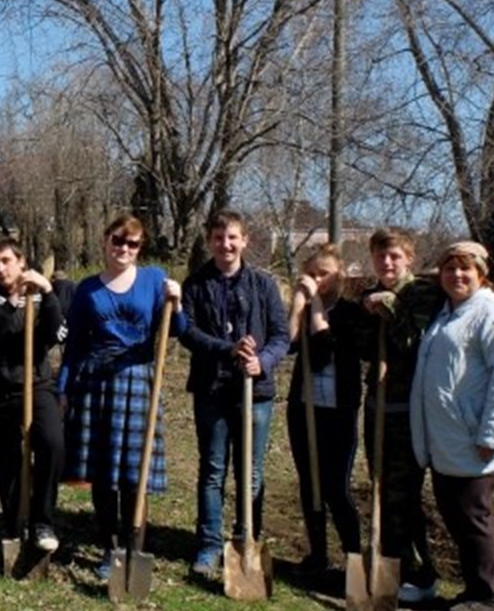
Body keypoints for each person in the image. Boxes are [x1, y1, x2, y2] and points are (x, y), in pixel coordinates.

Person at [58, 215, 185, 578]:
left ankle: (134, 548)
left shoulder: (154, 279)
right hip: (95, 383)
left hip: (139, 381)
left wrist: (176, 303)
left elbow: (177, 330)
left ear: (140, 247)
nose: (124, 249)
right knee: (102, 473)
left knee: (133, 472)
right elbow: (75, 346)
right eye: (118, 241)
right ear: (105, 240)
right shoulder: (86, 290)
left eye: (132, 244)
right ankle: (108, 549)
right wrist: (64, 388)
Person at [410, 241, 494, 611]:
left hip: (475, 439)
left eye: (465, 269)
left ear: (481, 273)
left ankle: (489, 597)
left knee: (474, 519)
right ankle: (473, 590)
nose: (457, 275)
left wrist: (493, 433)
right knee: (458, 518)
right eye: (449, 269)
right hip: (448, 440)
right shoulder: (449, 312)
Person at [179, 209, 289, 576]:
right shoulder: (196, 284)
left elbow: (281, 336)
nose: (225, 244)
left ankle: (246, 539)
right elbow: (188, 332)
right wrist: (227, 349)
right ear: (209, 241)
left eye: (232, 238)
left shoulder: (263, 285)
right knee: (212, 471)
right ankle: (209, 545)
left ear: (245, 240)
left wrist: (263, 361)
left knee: (251, 473)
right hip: (213, 390)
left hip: (254, 393)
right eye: (217, 238)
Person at [359, 228, 443, 602]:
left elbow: (412, 339)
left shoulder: (422, 293)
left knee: (403, 494)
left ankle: (421, 573)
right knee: (379, 488)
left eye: (394, 256)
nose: (387, 263)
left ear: (409, 257)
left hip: (409, 411)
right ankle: (388, 567)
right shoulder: (369, 295)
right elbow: (363, 347)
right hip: (377, 406)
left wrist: (388, 305)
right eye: (380, 256)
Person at [0, 237, 66, 554]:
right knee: (8, 462)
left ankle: (42, 521)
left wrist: (48, 292)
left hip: (36, 384)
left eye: (6, 261)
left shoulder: (41, 298)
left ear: (21, 261)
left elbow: (55, 333)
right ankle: (13, 525)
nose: (0, 268)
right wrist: (12, 308)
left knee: (52, 443)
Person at [285, 244, 363, 575]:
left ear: (339, 275)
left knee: (335, 487)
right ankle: (318, 554)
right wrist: (299, 303)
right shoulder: (302, 309)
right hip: (305, 409)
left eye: (324, 274)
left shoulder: (350, 312)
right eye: (312, 274)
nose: (317, 279)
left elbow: (325, 345)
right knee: (309, 482)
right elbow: (288, 343)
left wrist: (315, 303)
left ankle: (354, 557)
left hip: (338, 413)